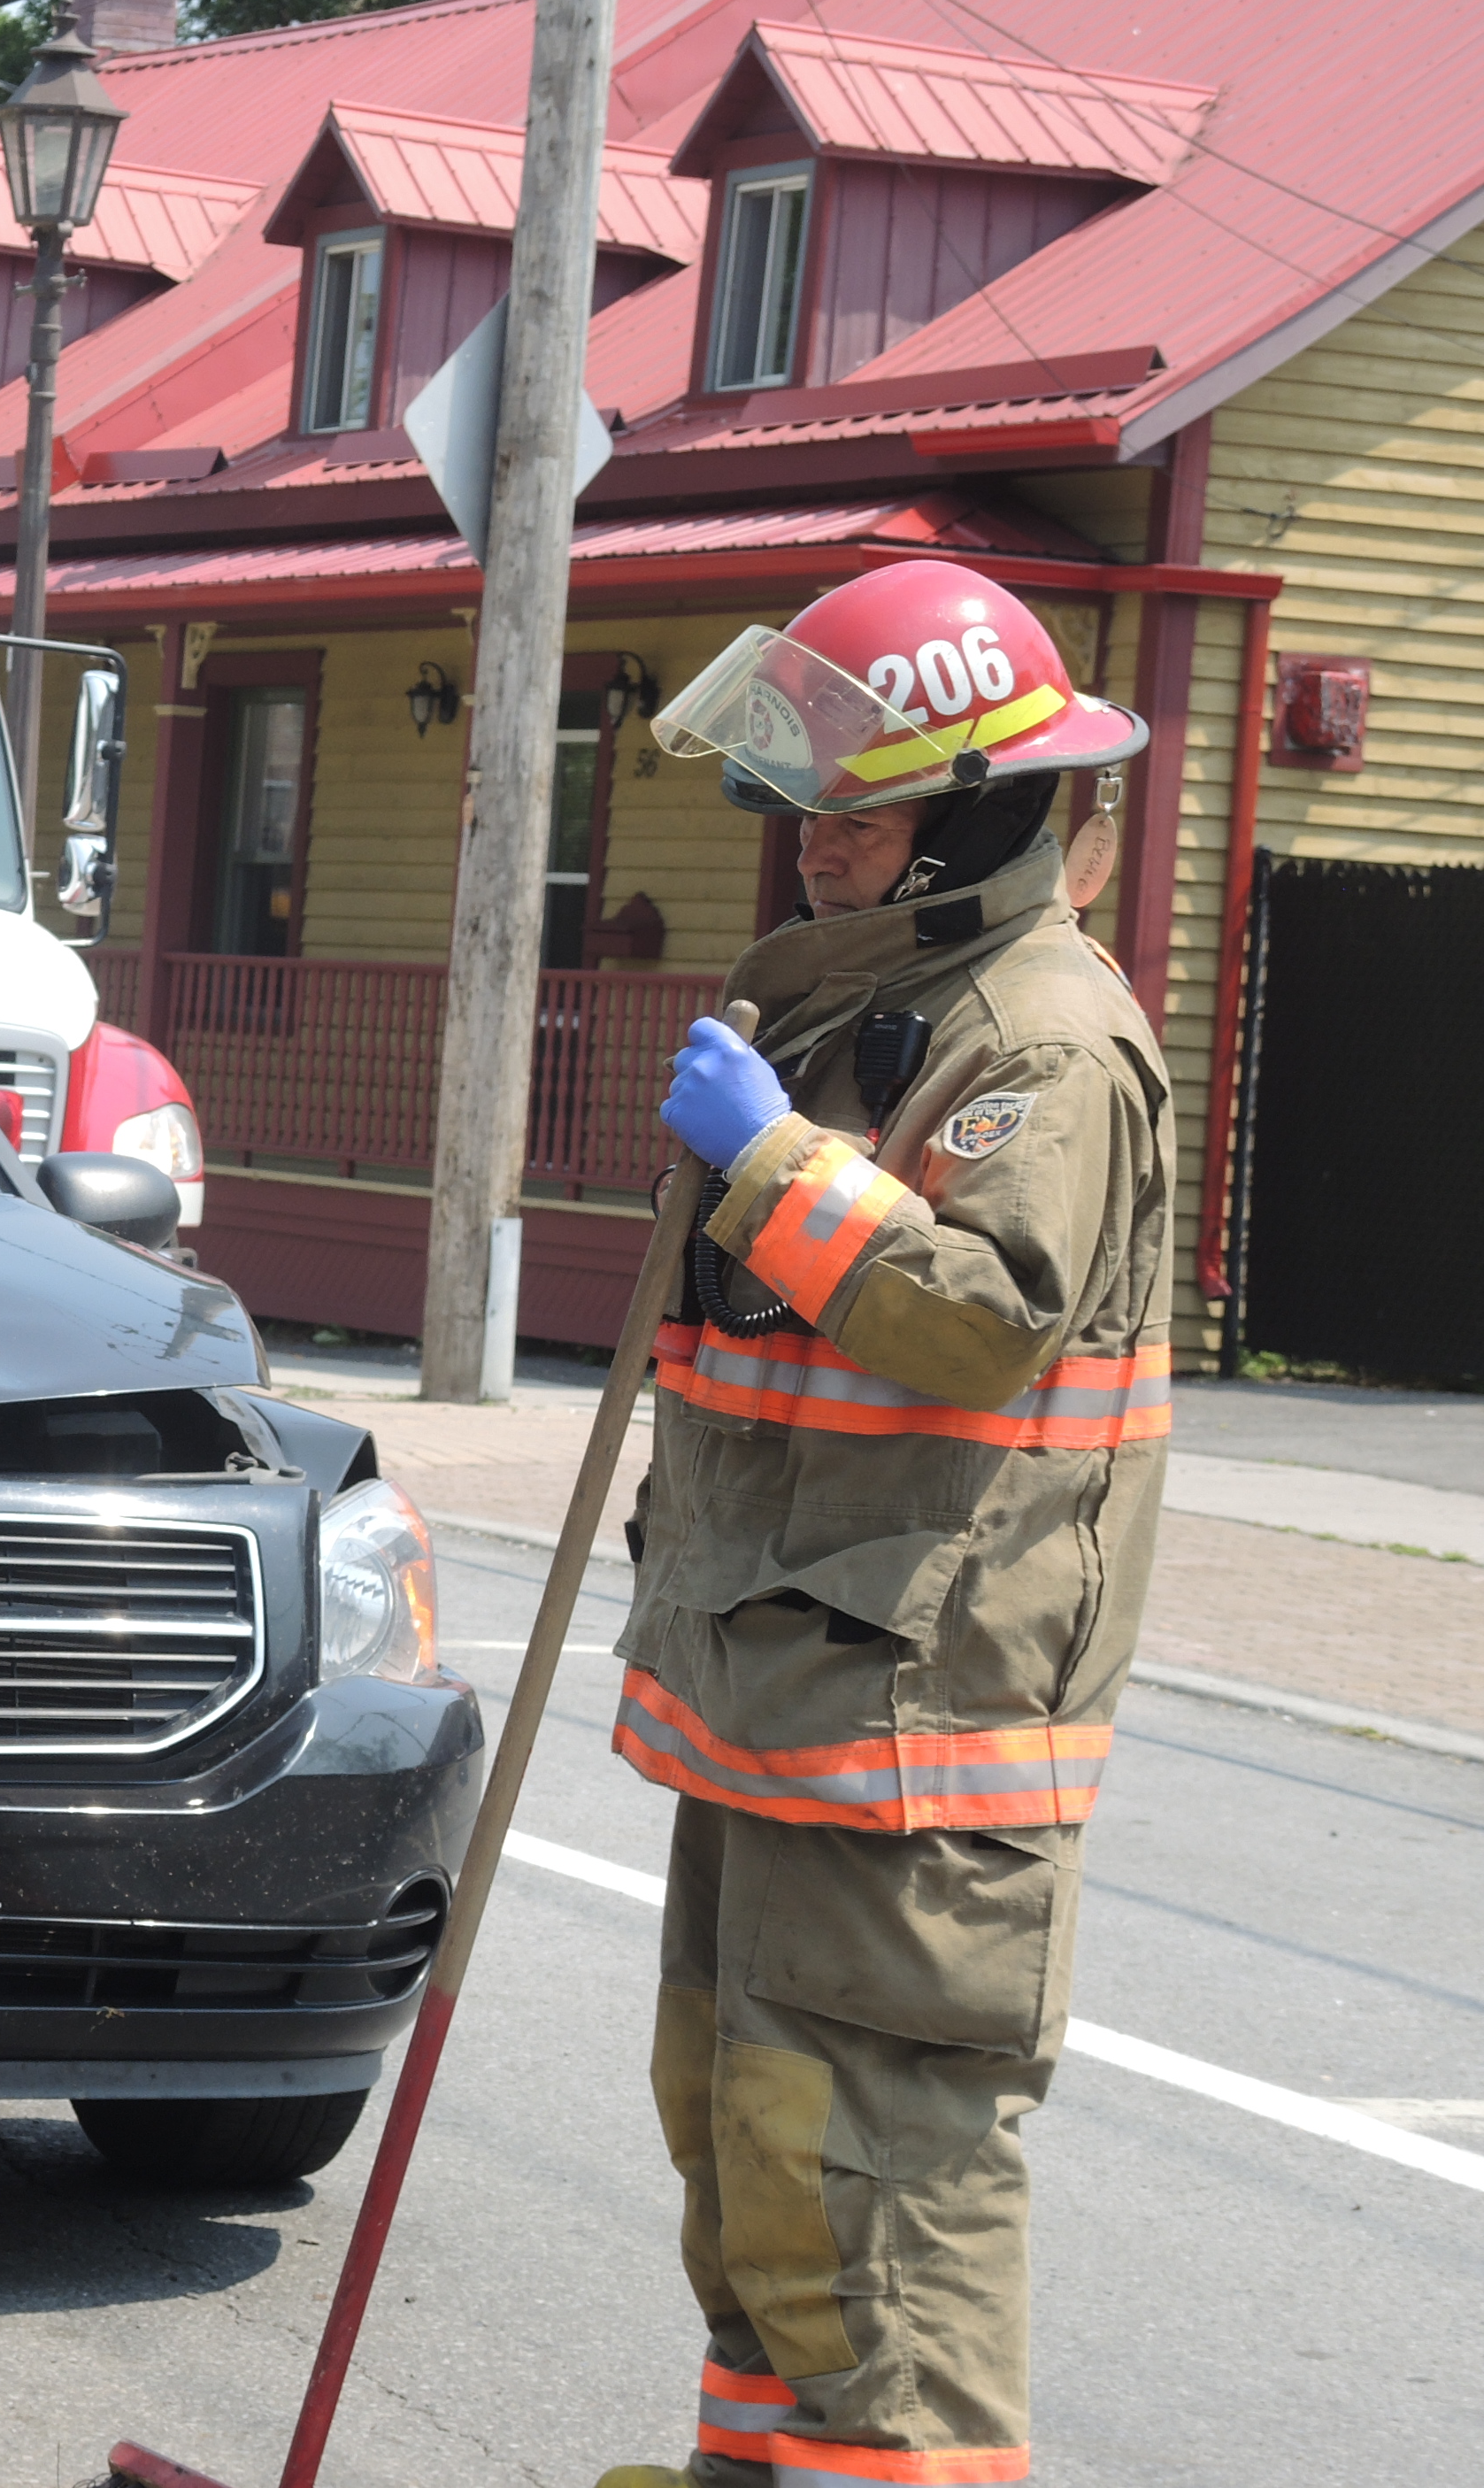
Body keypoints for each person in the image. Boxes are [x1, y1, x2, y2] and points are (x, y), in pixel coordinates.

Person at [602, 559, 1173, 2488]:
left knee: (872, 2216)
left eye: (858, 805)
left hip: (909, 1751)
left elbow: (978, 1323)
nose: (809, 842)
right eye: (807, 800)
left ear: (982, 805)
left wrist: (764, 1161)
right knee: (752, 2164)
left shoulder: (1041, 1041)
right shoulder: (877, 1005)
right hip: (782, 1714)